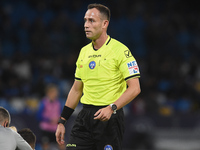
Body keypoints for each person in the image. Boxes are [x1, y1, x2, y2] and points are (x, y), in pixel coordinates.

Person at [55, 3, 141, 150]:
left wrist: (111, 108)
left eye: (91, 21)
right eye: (85, 20)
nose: (86, 25)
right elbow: (76, 90)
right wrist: (62, 121)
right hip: (85, 116)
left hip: (109, 117)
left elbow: (135, 88)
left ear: (104, 24)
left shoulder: (121, 51)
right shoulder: (83, 52)